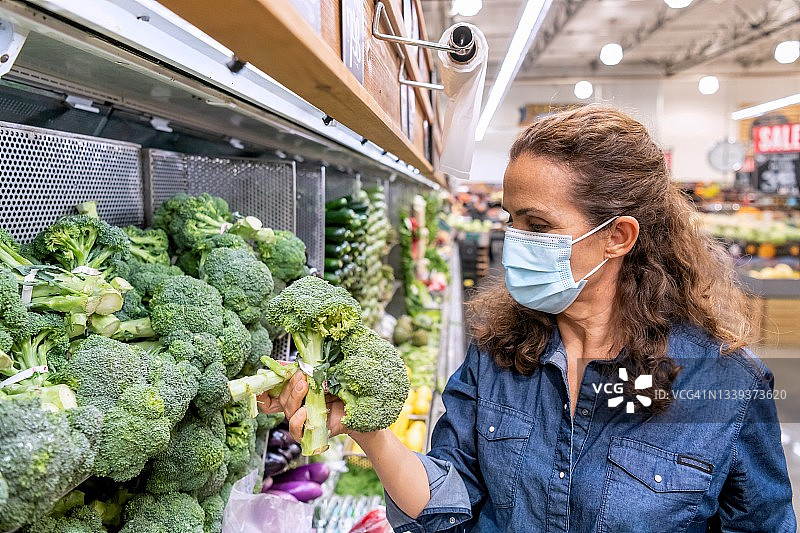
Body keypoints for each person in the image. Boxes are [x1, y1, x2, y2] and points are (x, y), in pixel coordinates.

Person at [259, 105, 796, 532]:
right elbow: (450, 501)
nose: (514, 241)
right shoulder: (501, 353)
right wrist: (370, 434)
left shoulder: (723, 384)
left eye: (537, 224)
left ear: (618, 237)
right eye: (510, 220)